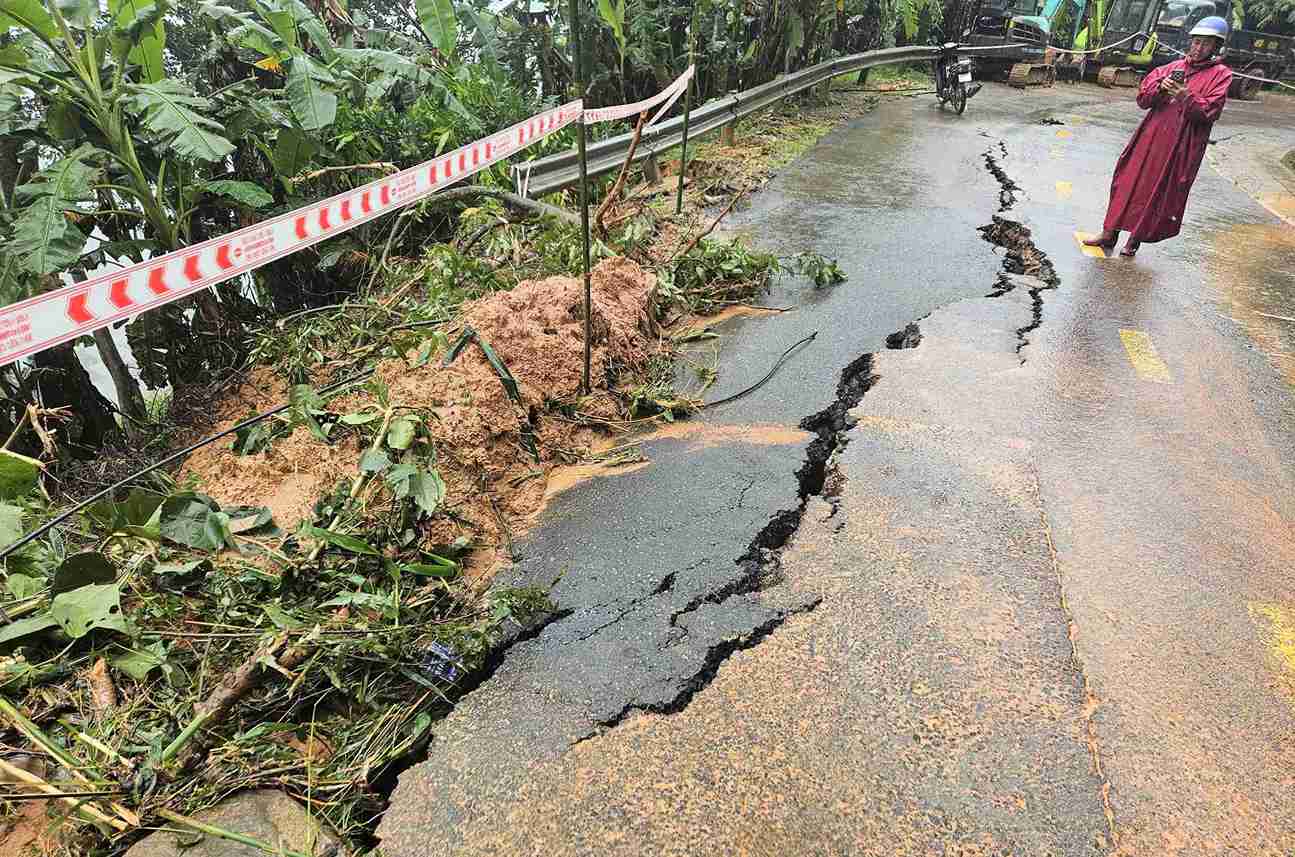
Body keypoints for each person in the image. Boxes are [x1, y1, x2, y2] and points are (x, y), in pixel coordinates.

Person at [1084, 16, 1233, 258]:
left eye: (1206, 44)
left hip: (1180, 146)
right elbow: (1143, 100)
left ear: (1216, 47)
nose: (1198, 48)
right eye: (1196, 42)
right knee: (1126, 181)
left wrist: (1185, 95)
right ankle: (1109, 233)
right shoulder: (1170, 68)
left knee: (1158, 190)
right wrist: (1161, 89)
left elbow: (1209, 112)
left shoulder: (1221, 75)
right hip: (1149, 138)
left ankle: (1134, 240)